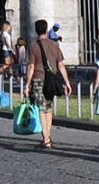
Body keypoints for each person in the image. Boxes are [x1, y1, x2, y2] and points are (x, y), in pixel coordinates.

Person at [25, 18, 69, 151]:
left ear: (36, 30)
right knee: (48, 108)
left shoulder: (33, 46)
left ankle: (45, 139)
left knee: (42, 109)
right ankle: (47, 136)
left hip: (38, 79)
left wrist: (27, 84)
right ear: (46, 29)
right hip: (51, 80)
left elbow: (31, 66)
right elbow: (60, 65)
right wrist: (67, 82)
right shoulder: (54, 45)